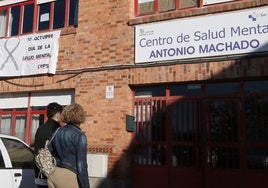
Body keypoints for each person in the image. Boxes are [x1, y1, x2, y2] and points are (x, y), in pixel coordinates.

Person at [48, 103, 90, 188]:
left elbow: (49, 151)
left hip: (53, 174)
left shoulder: (57, 131)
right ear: (80, 116)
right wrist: (86, 186)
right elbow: (81, 165)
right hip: (69, 176)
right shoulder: (80, 136)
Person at [34, 102, 63, 188]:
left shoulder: (40, 128)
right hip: (52, 174)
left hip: (39, 172)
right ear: (58, 115)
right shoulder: (58, 130)